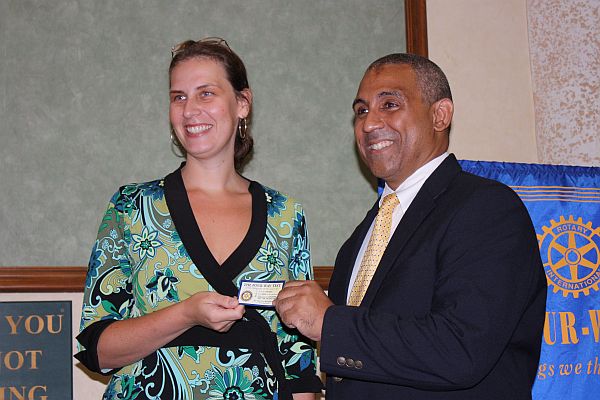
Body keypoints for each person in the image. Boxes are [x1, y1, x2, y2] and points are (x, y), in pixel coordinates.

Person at [274, 53, 547, 399]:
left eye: (389, 104)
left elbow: (460, 349)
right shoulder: (357, 242)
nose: (369, 123)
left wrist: (330, 324)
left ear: (440, 115)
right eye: (361, 111)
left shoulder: (487, 208)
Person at [76, 37, 322, 400]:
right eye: (179, 97)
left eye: (206, 93)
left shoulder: (284, 214)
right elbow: (97, 348)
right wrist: (186, 314)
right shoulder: (132, 207)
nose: (190, 109)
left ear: (242, 103)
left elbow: (298, 361)